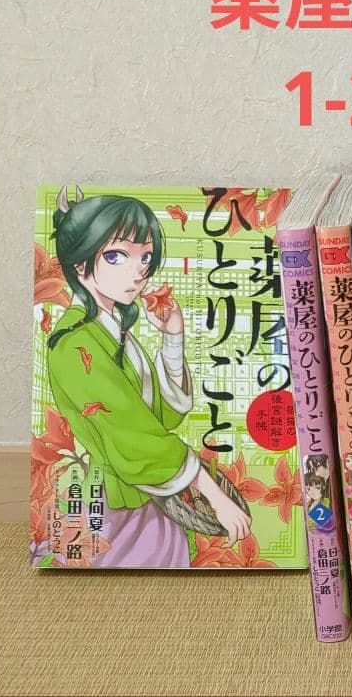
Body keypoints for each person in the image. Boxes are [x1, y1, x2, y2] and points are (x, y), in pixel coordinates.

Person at [45, 187, 250, 567]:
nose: (138, 271)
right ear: (80, 264)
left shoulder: (112, 331)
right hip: (120, 503)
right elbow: (133, 434)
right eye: (116, 255)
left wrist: (172, 337)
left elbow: (161, 419)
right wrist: (214, 494)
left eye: (145, 257)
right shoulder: (75, 343)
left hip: (148, 494)